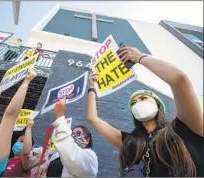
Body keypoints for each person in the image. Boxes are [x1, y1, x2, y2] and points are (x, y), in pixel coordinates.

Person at [86, 46, 203, 177]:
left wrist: (141, 58)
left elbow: (179, 79)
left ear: (158, 105)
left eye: (143, 98)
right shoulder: (129, 141)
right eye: (133, 103)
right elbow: (92, 118)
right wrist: (91, 88)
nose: (138, 103)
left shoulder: (184, 128)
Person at [42, 99, 98, 177]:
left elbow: (72, 158)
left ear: (87, 140)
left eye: (78, 133)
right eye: (72, 133)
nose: (74, 135)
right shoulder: (56, 156)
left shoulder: (90, 156)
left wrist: (60, 117)